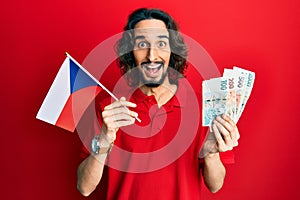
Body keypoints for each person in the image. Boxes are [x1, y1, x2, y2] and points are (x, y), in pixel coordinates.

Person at [77, 8, 239, 200]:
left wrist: (211, 153)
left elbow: (215, 186)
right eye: (142, 44)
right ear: (130, 52)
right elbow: (84, 187)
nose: (152, 55)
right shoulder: (110, 109)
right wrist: (104, 139)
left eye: (161, 43)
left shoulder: (205, 108)